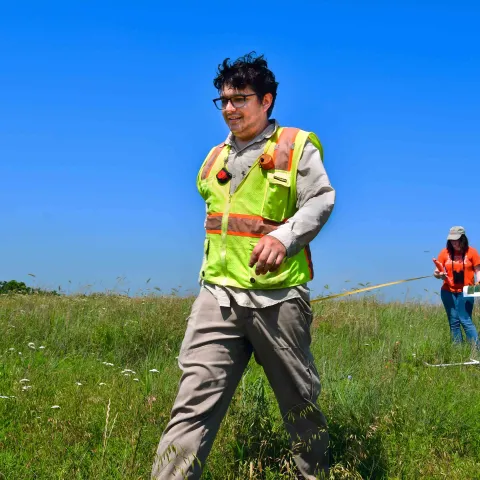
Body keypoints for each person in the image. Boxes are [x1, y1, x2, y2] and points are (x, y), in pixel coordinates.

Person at [152, 53, 335, 480]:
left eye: (240, 99)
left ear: (266, 100)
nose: (230, 109)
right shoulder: (214, 158)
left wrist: (283, 237)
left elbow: (322, 199)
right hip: (216, 297)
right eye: (223, 101)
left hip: (278, 300)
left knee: (299, 404)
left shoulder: (295, 145)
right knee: (192, 405)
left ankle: (315, 474)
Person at [434, 226, 480, 345]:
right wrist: (439, 275)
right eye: (451, 240)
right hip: (447, 291)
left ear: (463, 238)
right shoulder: (444, 253)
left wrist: (478, 283)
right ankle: (458, 352)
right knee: (453, 321)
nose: (454, 242)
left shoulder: (472, 252)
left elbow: (478, 271)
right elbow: (436, 272)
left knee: (465, 319)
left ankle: (476, 350)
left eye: (457, 239)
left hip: (467, 289)